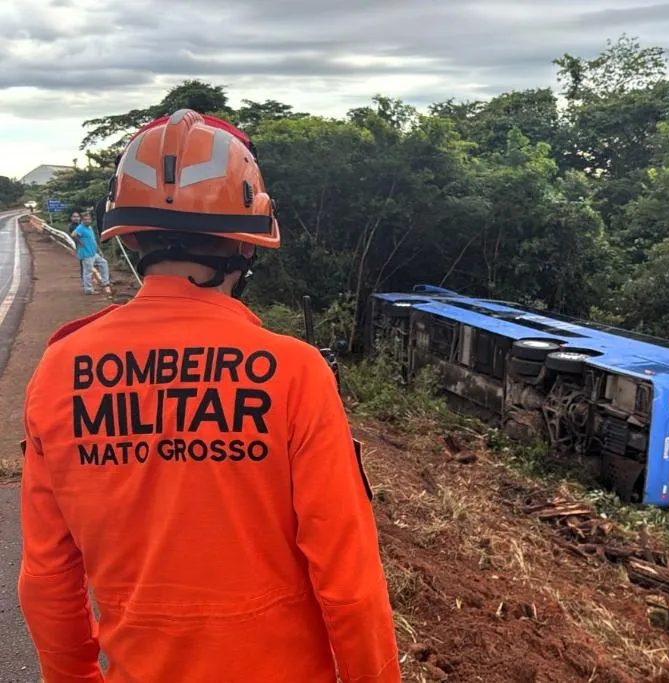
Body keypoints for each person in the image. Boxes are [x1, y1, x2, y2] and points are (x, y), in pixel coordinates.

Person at [18, 109, 400, 683]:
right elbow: (349, 583)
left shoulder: (60, 370)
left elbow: (48, 576)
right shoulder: (294, 373)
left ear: (130, 237)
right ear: (247, 246)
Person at [70, 212, 112, 296]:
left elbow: (93, 239)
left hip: (93, 253)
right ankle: (88, 290)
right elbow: (73, 235)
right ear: (82, 220)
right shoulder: (80, 228)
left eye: (89, 219)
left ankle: (105, 282)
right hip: (86, 254)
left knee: (104, 263)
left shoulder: (89, 227)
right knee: (88, 272)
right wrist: (80, 243)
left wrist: (98, 250)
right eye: (85, 219)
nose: (88, 221)